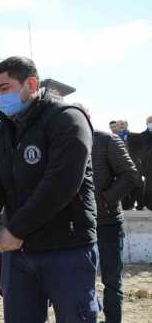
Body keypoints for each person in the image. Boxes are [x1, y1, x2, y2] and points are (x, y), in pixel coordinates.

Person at [0, 56, 99, 323]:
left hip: (66, 248)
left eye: (5, 88)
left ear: (31, 84)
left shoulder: (68, 120)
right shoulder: (2, 134)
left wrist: (16, 230)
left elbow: (61, 185)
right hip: (19, 253)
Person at [79, 105, 139, 323]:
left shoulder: (106, 140)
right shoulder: (62, 143)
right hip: (75, 226)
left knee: (111, 280)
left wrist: (104, 200)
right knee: (79, 281)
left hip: (107, 222)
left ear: (87, 117)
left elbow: (130, 175)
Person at [128, 116, 152, 210]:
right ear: (146, 123)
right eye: (150, 121)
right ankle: (143, 203)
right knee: (144, 186)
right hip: (145, 165)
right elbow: (138, 152)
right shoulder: (141, 136)